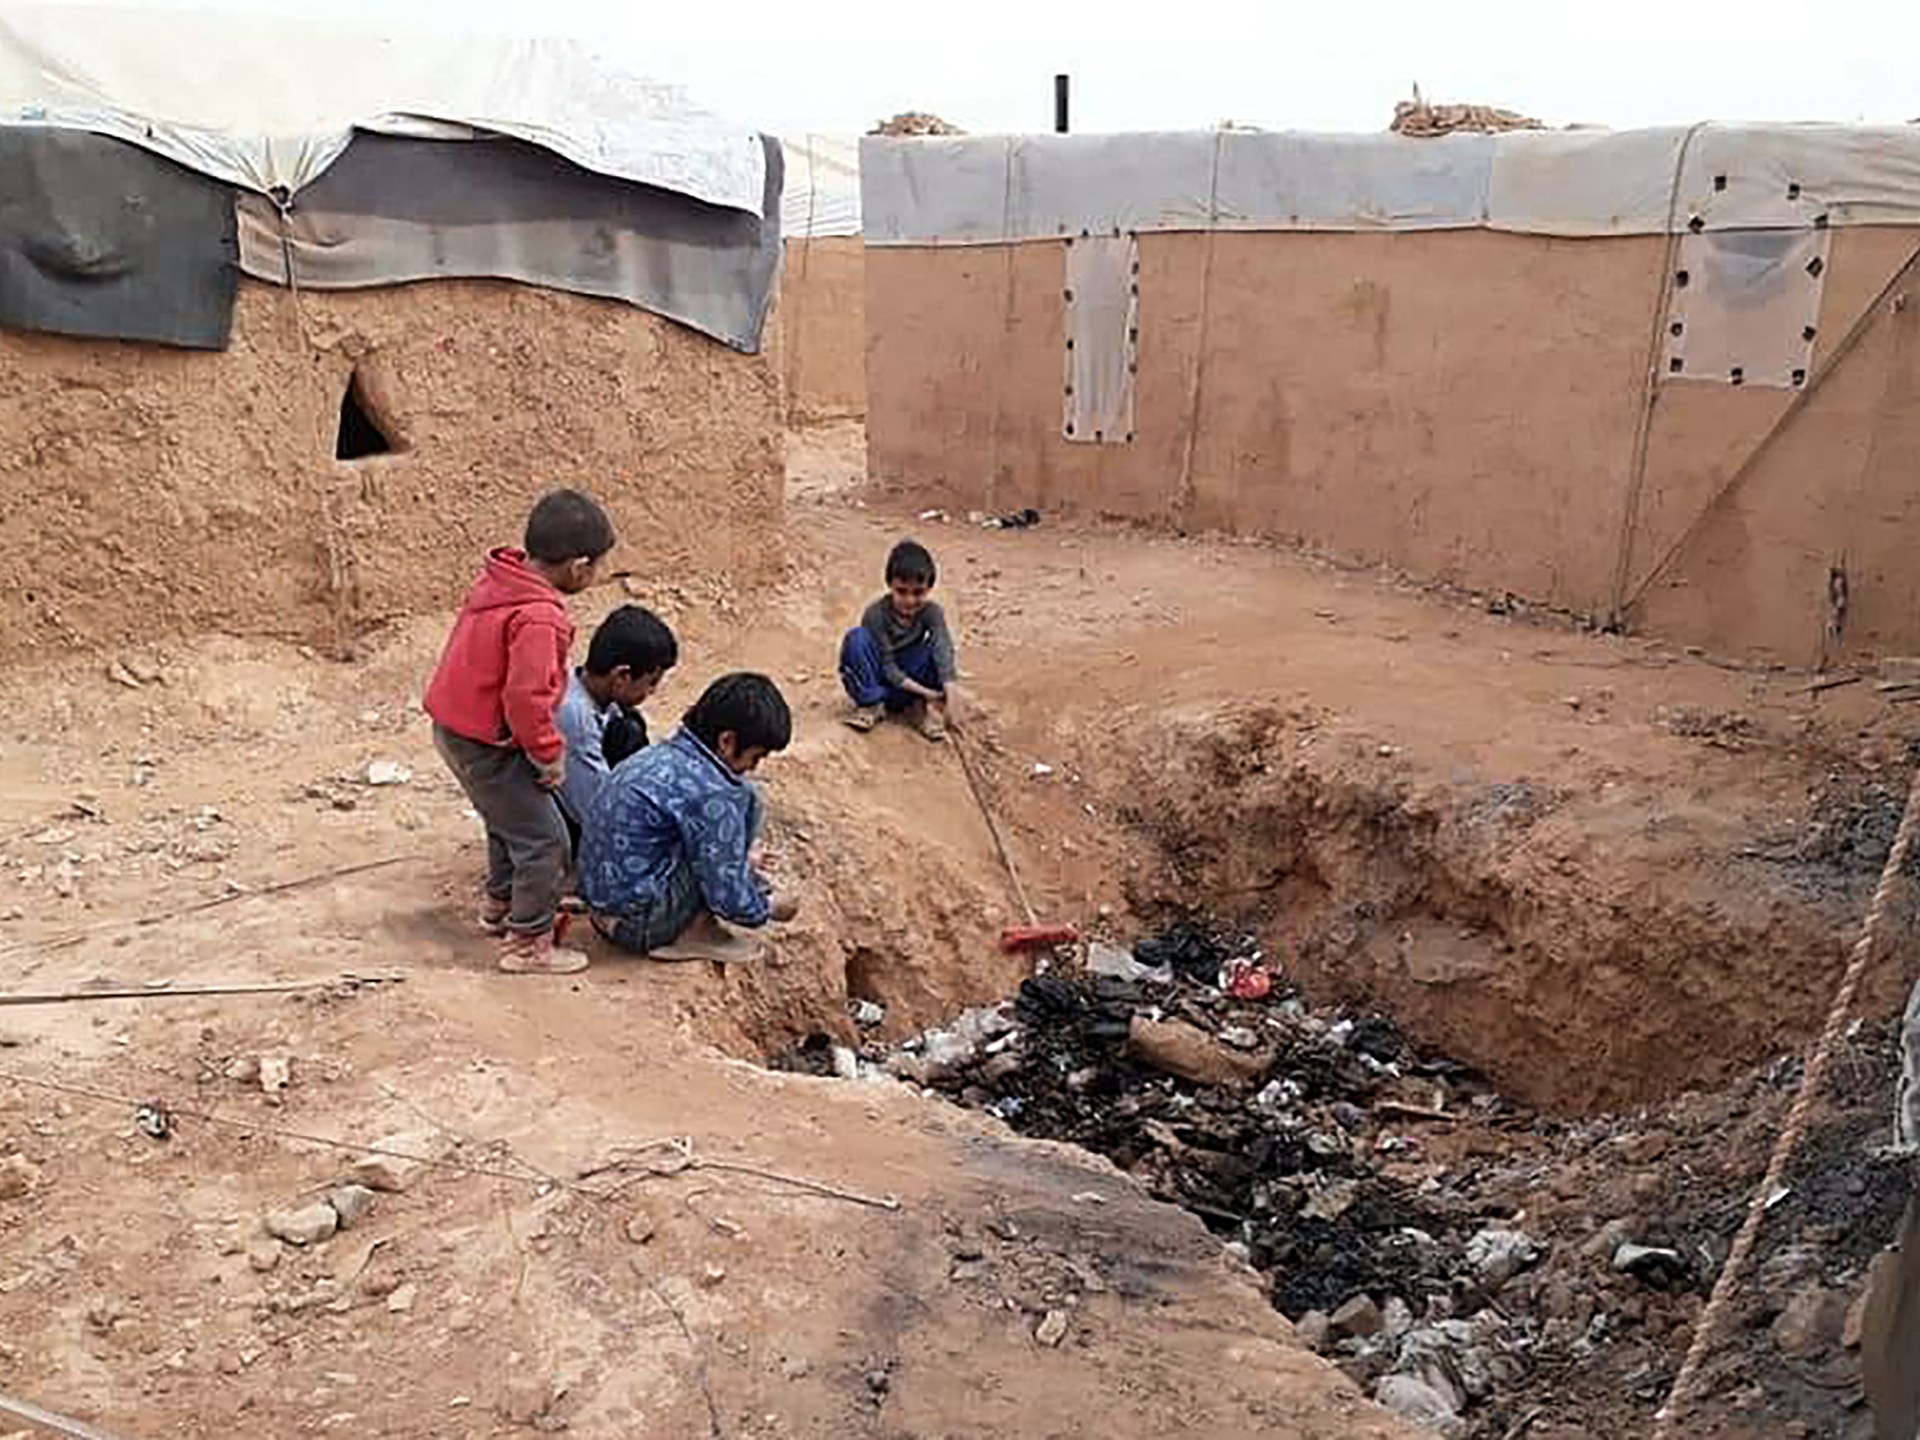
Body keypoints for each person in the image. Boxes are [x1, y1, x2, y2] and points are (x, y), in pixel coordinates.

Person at [424, 488, 615, 975]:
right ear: (578, 567)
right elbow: (527, 697)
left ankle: (502, 902)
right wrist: (548, 754)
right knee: (545, 840)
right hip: (487, 739)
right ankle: (528, 942)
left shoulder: (501, 582)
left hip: (459, 728)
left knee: (508, 818)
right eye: (597, 567)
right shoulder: (539, 617)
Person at [580, 672, 799, 964]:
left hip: (602, 912)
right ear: (727, 741)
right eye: (755, 757)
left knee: (735, 810)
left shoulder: (660, 756)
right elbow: (727, 896)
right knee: (743, 802)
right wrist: (768, 906)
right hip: (641, 926)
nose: (753, 767)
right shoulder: (713, 794)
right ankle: (693, 930)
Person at [553, 604, 678, 852]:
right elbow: (594, 808)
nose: (652, 692)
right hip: (559, 806)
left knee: (629, 728)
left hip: (574, 793)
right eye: (651, 683)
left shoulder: (600, 698)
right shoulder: (575, 717)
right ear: (622, 676)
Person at [838, 538, 969, 741]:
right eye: (901, 591)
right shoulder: (875, 614)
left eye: (918, 592)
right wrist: (928, 693)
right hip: (880, 681)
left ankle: (916, 709)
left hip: (909, 686)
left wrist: (951, 693)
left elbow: (943, 648)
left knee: (936, 649)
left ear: (929, 588)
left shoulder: (932, 612)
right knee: (856, 639)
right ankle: (871, 706)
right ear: (889, 585)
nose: (909, 600)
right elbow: (887, 667)